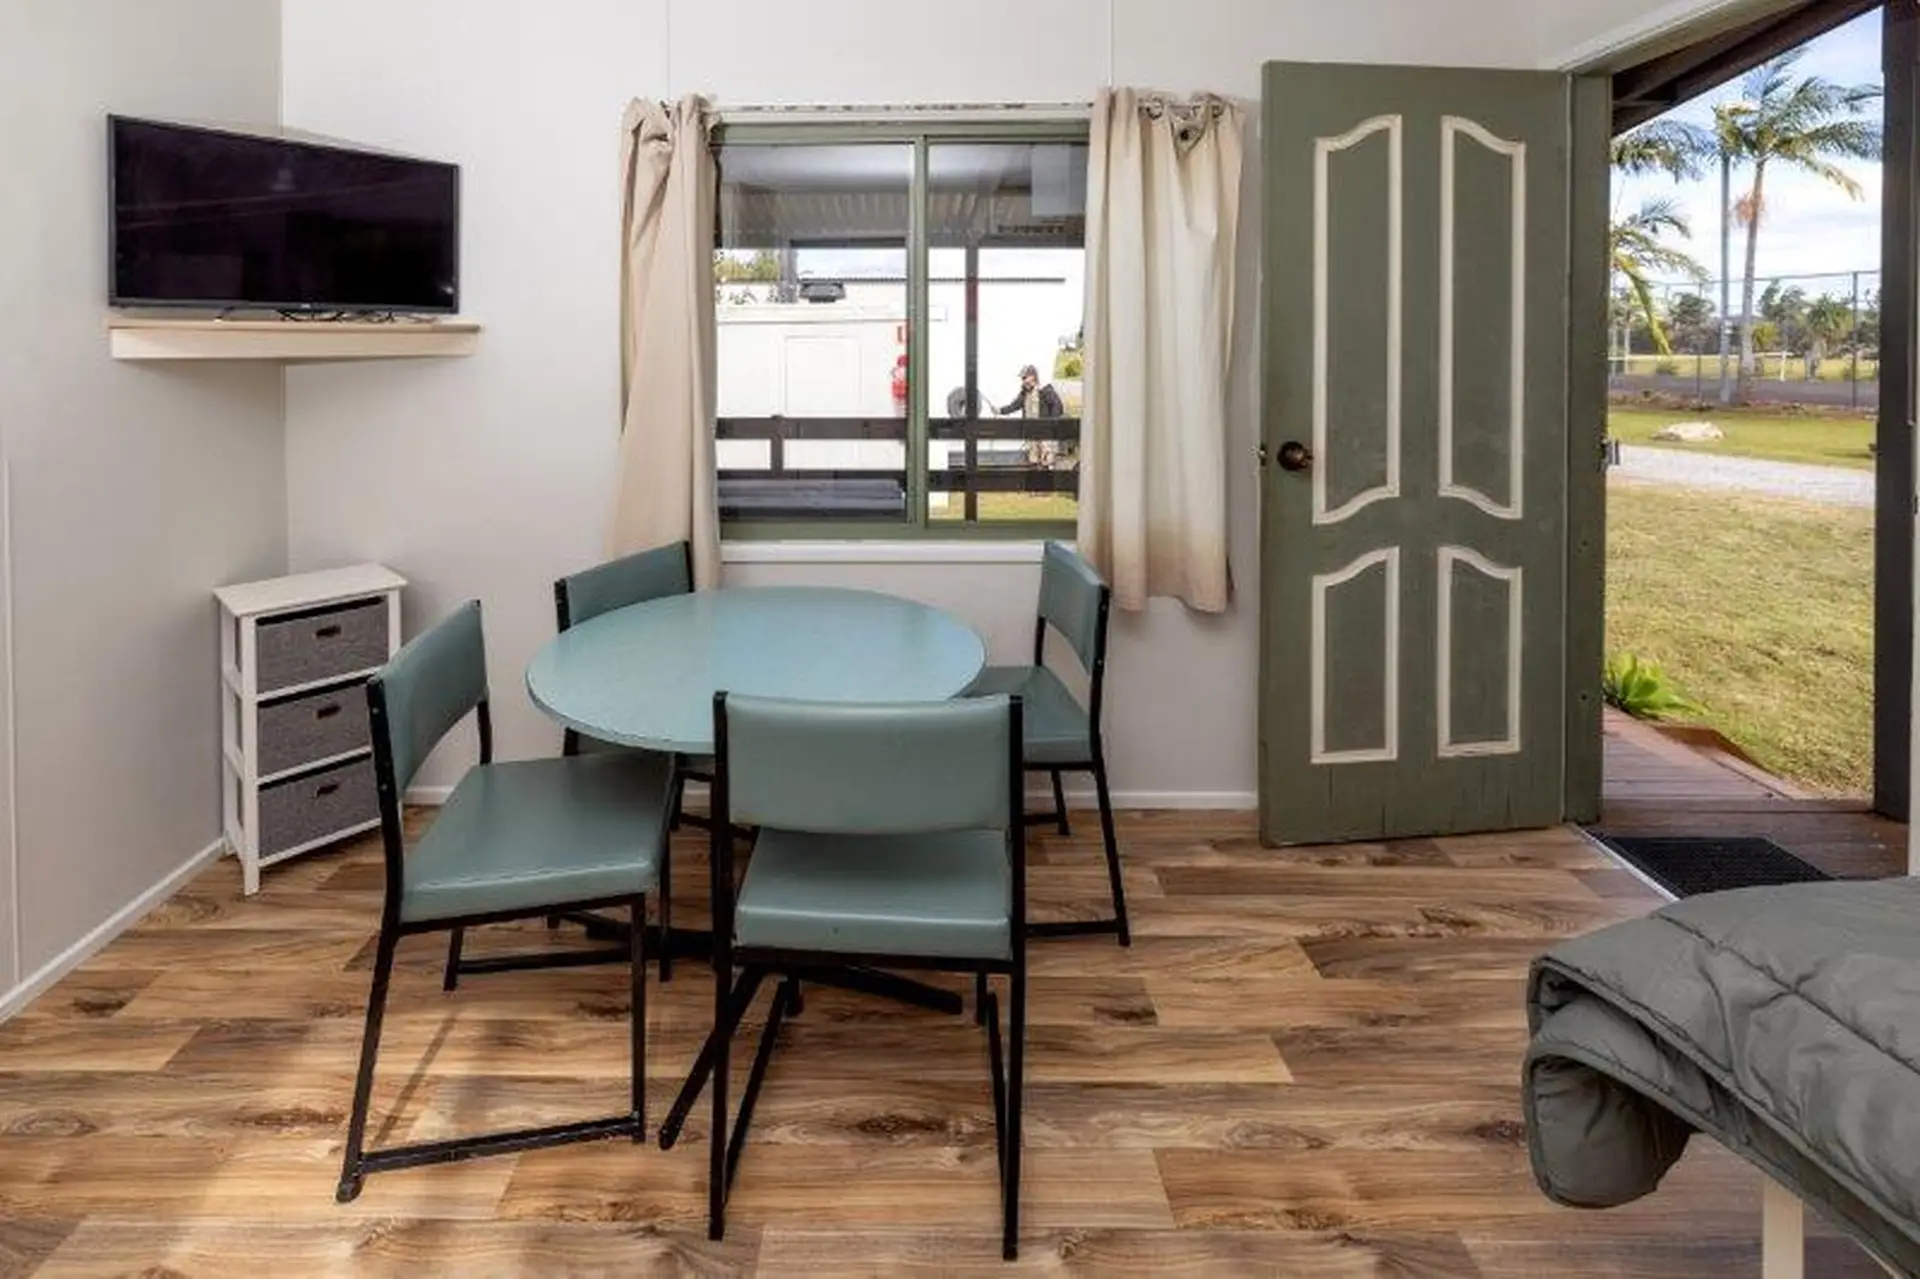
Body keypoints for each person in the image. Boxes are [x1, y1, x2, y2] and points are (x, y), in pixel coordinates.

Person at [998, 364, 1064, 419]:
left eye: (1025, 378)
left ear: (1033, 377)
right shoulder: (1023, 394)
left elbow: (1058, 407)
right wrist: (999, 411)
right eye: (1022, 379)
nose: (1023, 381)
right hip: (1028, 428)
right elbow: (1013, 407)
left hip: (1044, 428)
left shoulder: (1046, 391)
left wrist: (1051, 424)